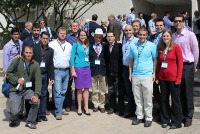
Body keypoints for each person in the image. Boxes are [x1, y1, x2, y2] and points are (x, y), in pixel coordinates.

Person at [172, 14, 199, 127]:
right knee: (179, 92)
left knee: (187, 93)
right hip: (176, 66)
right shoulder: (173, 36)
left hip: (187, 65)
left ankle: (188, 117)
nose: (177, 23)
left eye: (179, 21)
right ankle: (181, 115)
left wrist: (195, 65)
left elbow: (195, 50)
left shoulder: (190, 34)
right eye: (176, 21)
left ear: (183, 22)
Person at [6, 45, 42, 129]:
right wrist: (16, 80)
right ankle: (13, 119)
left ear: (33, 54)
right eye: (26, 52)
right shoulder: (17, 61)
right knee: (15, 112)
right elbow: (8, 73)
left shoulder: (36, 65)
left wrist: (36, 95)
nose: (28, 54)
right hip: (15, 89)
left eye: (30, 53)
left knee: (36, 102)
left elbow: (38, 81)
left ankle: (30, 122)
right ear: (23, 53)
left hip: (27, 90)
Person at [129, 27, 157, 127]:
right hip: (136, 75)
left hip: (147, 75)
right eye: (140, 34)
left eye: (144, 35)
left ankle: (148, 118)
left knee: (148, 98)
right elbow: (131, 60)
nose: (142, 36)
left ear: (147, 35)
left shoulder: (152, 45)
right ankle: (139, 116)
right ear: (138, 35)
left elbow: (155, 60)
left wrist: (154, 73)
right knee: (138, 98)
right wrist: (130, 73)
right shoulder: (133, 45)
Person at [156, 30, 183, 129]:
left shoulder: (176, 47)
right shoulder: (161, 48)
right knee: (164, 99)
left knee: (175, 100)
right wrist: (158, 76)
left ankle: (176, 122)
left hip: (173, 78)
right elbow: (159, 64)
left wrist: (178, 78)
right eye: (164, 36)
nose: (165, 38)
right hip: (163, 78)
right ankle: (165, 120)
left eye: (167, 36)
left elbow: (180, 64)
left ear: (171, 37)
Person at [49, 27, 72, 120]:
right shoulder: (52, 44)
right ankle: (58, 112)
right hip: (56, 71)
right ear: (57, 34)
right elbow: (50, 60)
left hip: (66, 71)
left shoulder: (69, 45)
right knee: (57, 92)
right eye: (61, 33)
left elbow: (71, 60)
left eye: (64, 33)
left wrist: (71, 70)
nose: (63, 35)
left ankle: (60, 108)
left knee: (63, 91)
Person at [70, 30, 92, 116]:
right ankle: (79, 107)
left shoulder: (88, 45)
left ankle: (86, 107)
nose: (83, 36)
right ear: (79, 36)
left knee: (86, 89)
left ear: (86, 36)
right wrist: (73, 70)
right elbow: (71, 58)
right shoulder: (75, 45)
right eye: (81, 35)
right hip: (78, 68)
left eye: (84, 35)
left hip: (87, 67)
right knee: (79, 89)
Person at [35, 31, 54, 122]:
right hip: (36, 75)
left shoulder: (50, 51)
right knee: (36, 95)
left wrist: (52, 77)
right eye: (44, 38)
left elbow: (51, 64)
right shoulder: (35, 48)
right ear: (40, 38)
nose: (45, 40)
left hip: (45, 75)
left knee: (44, 95)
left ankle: (42, 114)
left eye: (47, 38)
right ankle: (36, 114)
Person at [149, 19, 165, 118]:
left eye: (160, 25)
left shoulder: (166, 36)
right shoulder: (152, 37)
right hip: (152, 65)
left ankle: (164, 110)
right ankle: (160, 107)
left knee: (163, 89)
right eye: (157, 25)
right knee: (154, 89)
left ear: (164, 26)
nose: (159, 27)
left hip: (163, 65)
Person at [122, 25, 138, 118]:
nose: (128, 32)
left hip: (133, 69)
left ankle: (137, 111)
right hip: (125, 68)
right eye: (126, 30)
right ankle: (131, 111)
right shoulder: (124, 41)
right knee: (129, 91)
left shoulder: (136, 41)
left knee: (135, 91)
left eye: (129, 30)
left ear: (133, 31)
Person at [106, 32, 124, 116]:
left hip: (118, 73)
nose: (109, 38)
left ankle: (121, 109)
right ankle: (112, 108)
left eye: (111, 36)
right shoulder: (105, 47)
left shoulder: (119, 46)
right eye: (108, 36)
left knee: (119, 92)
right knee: (110, 91)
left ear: (114, 37)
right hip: (109, 73)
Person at [89, 28, 107, 113]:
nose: (98, 39)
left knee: (102, 89)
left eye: (100, 37)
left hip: (102, 70)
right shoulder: (90, 46)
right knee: (94, 89)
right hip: (93, 70)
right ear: (94, 37)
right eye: (97, 37)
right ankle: (95, 104)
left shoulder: (105, 46)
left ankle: (102, 104)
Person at [64, 21, 80, 112]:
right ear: (71, 27)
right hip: (70, 64)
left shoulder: (82, 35)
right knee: (68, 86)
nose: (74, 27)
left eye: (76, 26)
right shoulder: (68, 37)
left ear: (78, 27)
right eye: (73, 26)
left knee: (78, 86)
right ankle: (68, 105)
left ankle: (79, 105)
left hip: (79, 64)